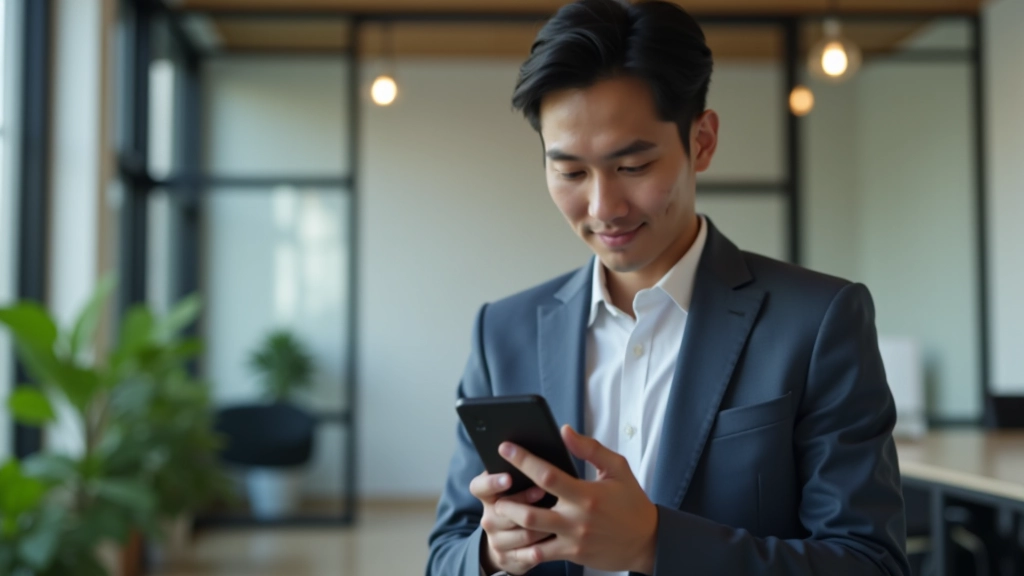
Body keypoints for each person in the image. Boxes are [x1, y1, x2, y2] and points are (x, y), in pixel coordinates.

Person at [426, 1, 909, 574]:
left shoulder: (818, 320)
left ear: (701, 141)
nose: (603, 208)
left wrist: (655, 544)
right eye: (572, 172)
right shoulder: (502, 332)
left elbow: (869, 563)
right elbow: (445, 554)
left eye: (632, 167)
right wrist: (488, 553)